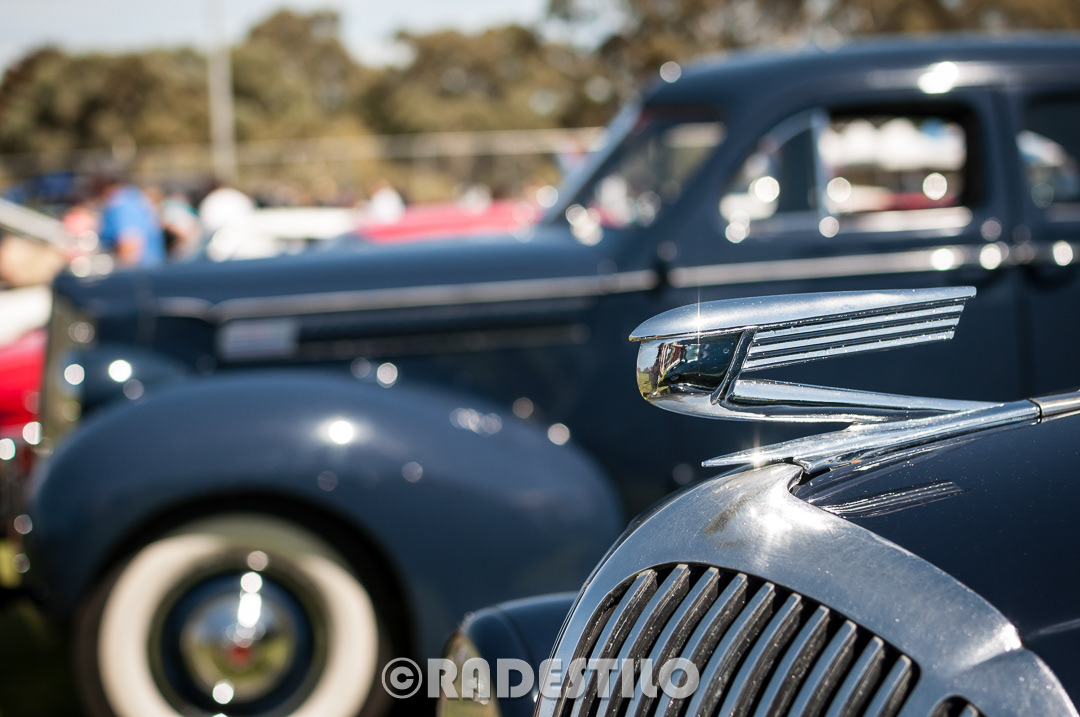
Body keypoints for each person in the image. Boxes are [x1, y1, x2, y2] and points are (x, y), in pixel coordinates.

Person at [95, 173, 166, 268]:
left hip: (139, 272)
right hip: (148, 270)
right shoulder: (133, 198)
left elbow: (130, 247)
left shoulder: (122, 203)